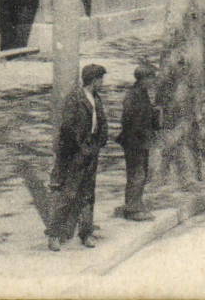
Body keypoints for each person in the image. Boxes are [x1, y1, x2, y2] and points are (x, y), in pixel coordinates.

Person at [47, 63, 107, 250]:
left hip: (91, 152)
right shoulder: (75, 99)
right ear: (93, 80)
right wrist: (81, 147)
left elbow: (101, 123)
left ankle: (86, 233)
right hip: (76, 155)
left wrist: (99, 143)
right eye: (101, 79)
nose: (103, 83)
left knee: (88, 195)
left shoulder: (96, 98)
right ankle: (54, 235)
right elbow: (68, 127)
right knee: (68, 194)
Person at [117, 62, 160, 221]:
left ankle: (137, 203)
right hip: (134, 141)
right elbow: (129, 120)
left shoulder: (142, 93)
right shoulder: (133, 95)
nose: (154, 81)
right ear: (144, 78)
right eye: (152, 77)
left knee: (142, 174)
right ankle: (132, 209)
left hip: (142, 140)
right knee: (137, 174)